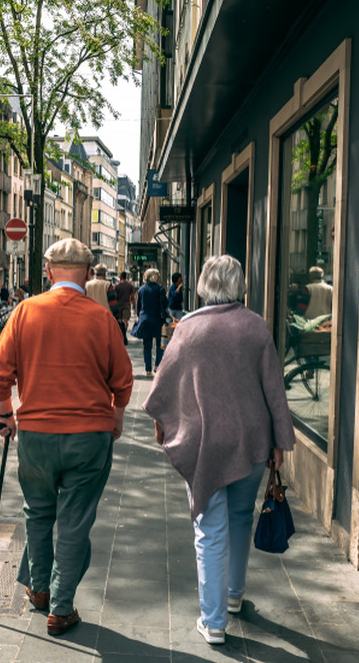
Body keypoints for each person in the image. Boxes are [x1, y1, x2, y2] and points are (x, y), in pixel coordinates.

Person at [143, 255, 295, 646]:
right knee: (241, 516)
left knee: (209, 529)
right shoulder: (256, 327)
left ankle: (213, 623)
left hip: (204, 444)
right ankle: (233, 596)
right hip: (252, 442)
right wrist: (281, 442)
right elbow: (274, 390)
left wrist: (163, 422)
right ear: (240, 285)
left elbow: (162, 384)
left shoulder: (188, 329)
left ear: (203, 285)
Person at [0, 238, 133, 638]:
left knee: (37, 511)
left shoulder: (25, 312)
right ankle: (61, 607)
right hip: (89, 436)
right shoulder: (102, 319)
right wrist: (117, 415)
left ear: (48, 272)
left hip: (35, 433)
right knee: (74, 522)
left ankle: (38, 589)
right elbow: (122, 380)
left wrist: (6, 415)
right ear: (88, 276)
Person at [134, 269, 169, 378]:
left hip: (145, 320)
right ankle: (157, 365)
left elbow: (138, 306)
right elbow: (165, 303)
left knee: (147, 345)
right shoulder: (160, 289)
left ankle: (148, 370)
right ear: (156, 277)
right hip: (158, 319)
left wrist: (140, 316)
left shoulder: (141, 289)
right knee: (160, 344)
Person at [114, 271, 135, 344]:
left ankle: (121, 335)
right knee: (126, 321)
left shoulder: (117, 285)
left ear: (120, 277)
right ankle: (125, 333)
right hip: (126, 304)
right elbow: (132, 297)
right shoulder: (130, 285)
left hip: (118, 305)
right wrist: (134, 307)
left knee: (119, 320)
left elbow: (115, 296)